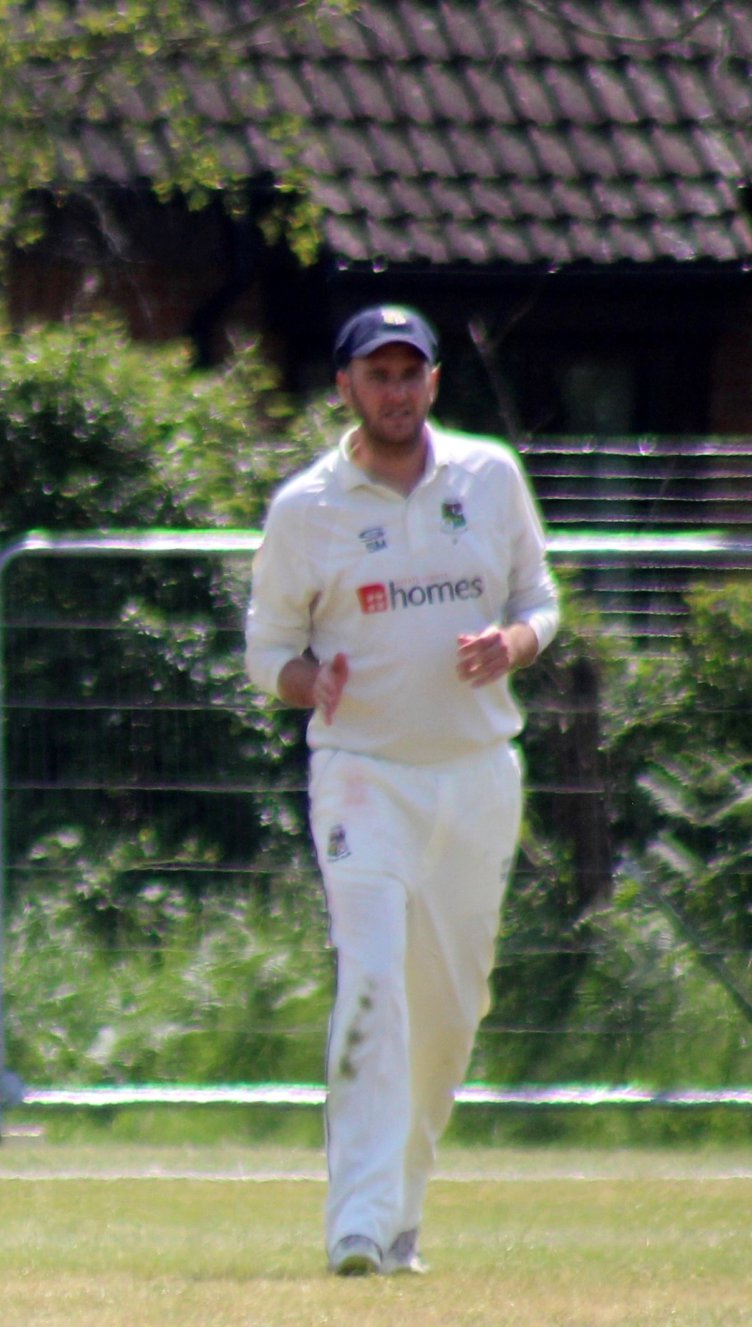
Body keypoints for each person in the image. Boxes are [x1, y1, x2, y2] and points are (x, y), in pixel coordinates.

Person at [243, 304, 559, 1278]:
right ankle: (357, 1221)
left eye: (408, 373)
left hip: (476, 773)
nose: (394, 391)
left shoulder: (486, 477)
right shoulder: (307, 507)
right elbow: (266, 652)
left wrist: (510, 643)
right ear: (344, 385)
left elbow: (539, 600)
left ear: (432, 382)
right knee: (373, 981)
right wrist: (312, 683)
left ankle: (401, 1212)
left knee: (449, 1009)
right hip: (362, 776)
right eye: (376, 375)